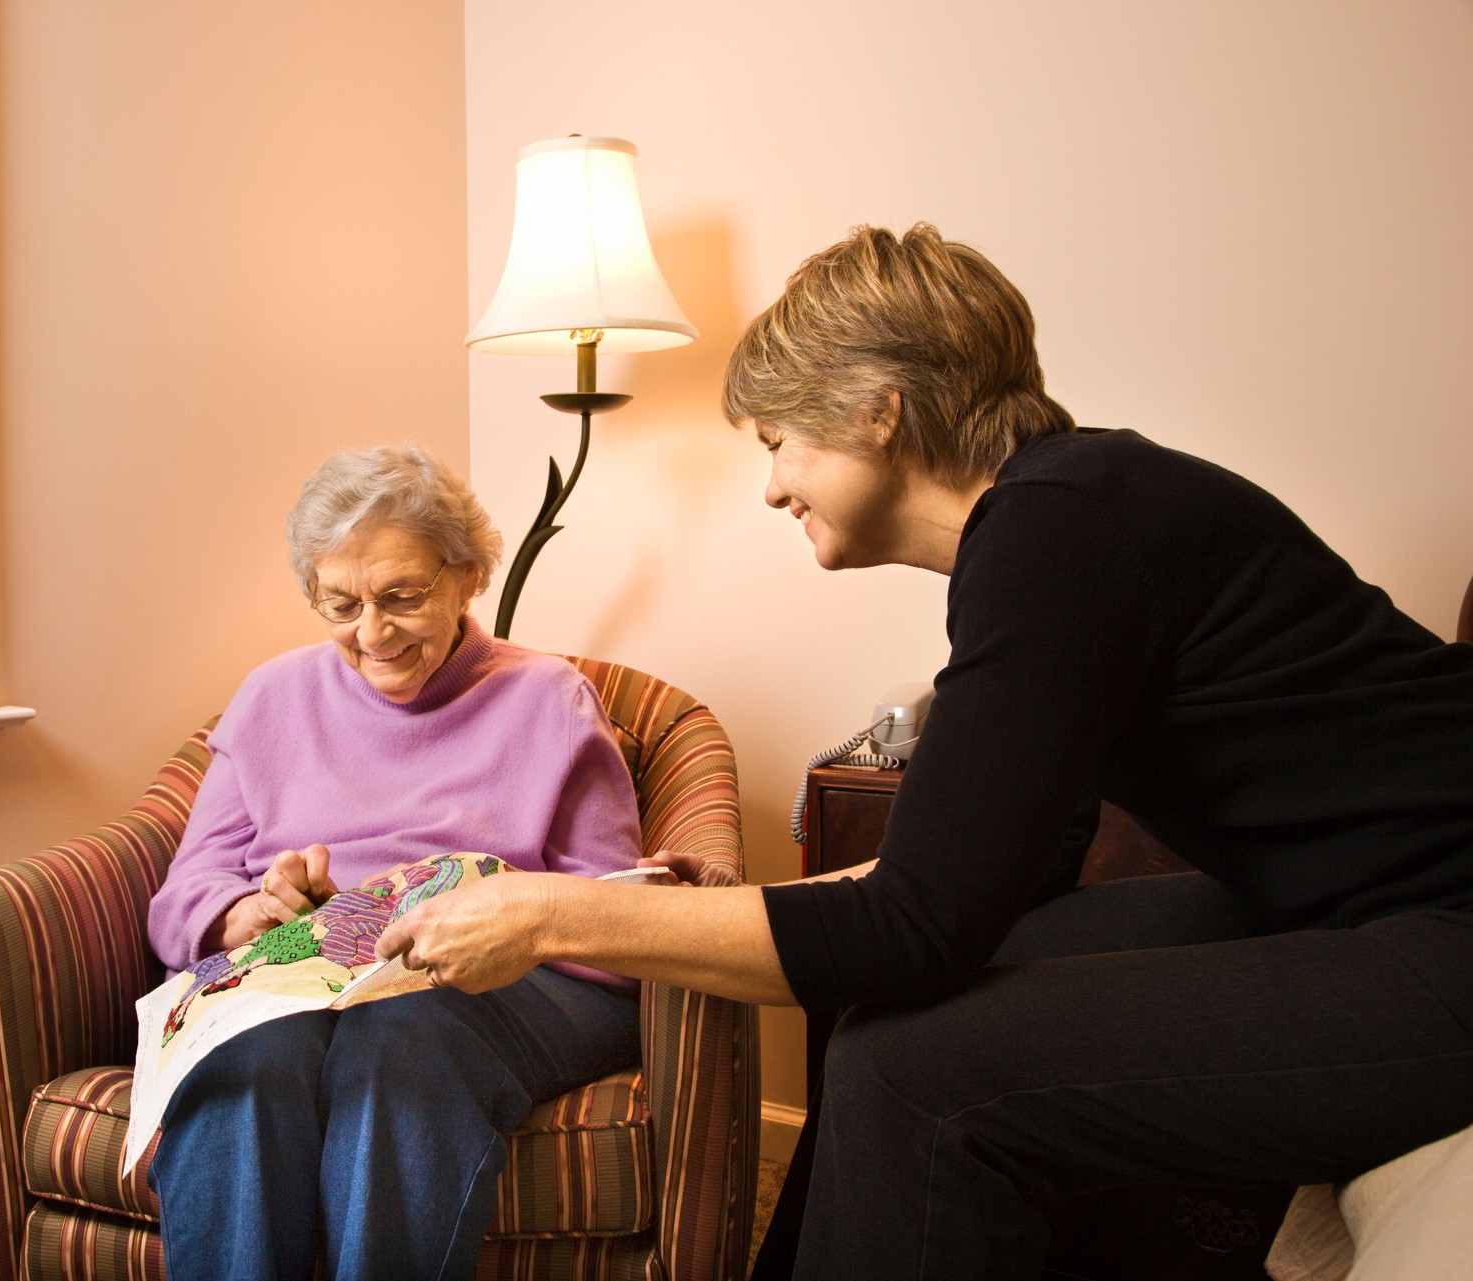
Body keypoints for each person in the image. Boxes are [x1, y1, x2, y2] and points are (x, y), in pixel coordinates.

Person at [377, 224, 1473, 1279]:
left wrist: (551, 913)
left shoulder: (1059, 529)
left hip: (1441, 924)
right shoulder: (1068, 512)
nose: (771, 486)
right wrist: (696, 911)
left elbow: (913, 926)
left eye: (779, 443)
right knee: (896, 1018)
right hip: (1348, 902)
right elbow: (985, 885)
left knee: (915, 1079)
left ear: (877, 412)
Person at [145, 445, 645, 1281]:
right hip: (305, 980)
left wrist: (491, 923)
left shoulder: (548, 699)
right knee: (244, 1052)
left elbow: (615, 924)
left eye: (402, 597)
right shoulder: (270, 696)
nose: (371, 633)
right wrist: (245, 915)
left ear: (468, 576)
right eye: (339, 603)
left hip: (505, 986)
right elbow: (180, 896)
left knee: (401, 1032)